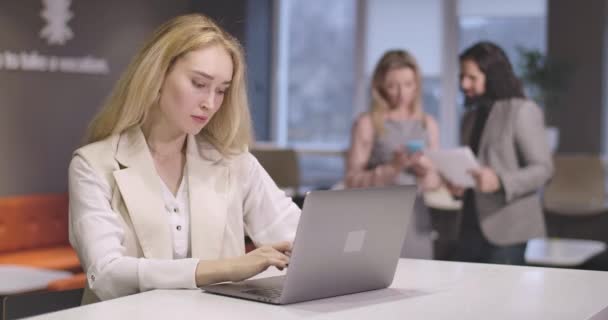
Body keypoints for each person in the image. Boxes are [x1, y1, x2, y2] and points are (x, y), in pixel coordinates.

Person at [68, 14, 300, 304]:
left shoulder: (235, 162)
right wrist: (226, 268)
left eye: (221, 91)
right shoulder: (93, 165)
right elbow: (106, 275)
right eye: (199, 83)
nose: (210, 103)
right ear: (157, 76)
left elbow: (298, 238)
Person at [415, 41, 554, 264]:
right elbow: (472, 167)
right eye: (462, 76)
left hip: (507, 228)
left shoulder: (521, 110)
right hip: (468, 225)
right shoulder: (470, 117)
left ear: (492, 75)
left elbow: (543, 170)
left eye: (471, 77)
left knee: (503, 298)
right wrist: (457, 184)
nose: (464, 83)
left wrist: (500, 181)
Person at [344, 50, 439, 259]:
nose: (401, 93)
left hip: (416, 221)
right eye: (392, 86)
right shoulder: (367, 123)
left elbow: (433, 183)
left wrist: (426, 172)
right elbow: (351, 181)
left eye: (408, 84)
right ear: (379, 86)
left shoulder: (427, 124)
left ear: (417, 85)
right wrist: (392, 168)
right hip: (377, 219)